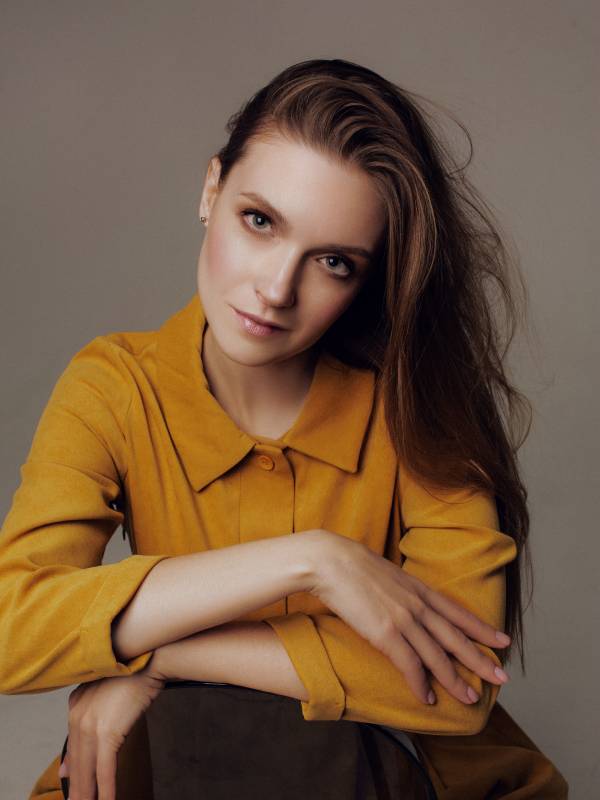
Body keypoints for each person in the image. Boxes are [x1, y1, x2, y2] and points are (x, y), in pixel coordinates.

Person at [0, 58, 568, 799]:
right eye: (260, 221)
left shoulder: (419, 404)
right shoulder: (114, 386)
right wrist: (309, 561)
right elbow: (13, 632)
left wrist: (160, 656)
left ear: (369, 278)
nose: (275, 290)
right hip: (183, 768)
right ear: (212, 190)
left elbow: (458, 685)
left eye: (333, 262)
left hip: (407, 779)